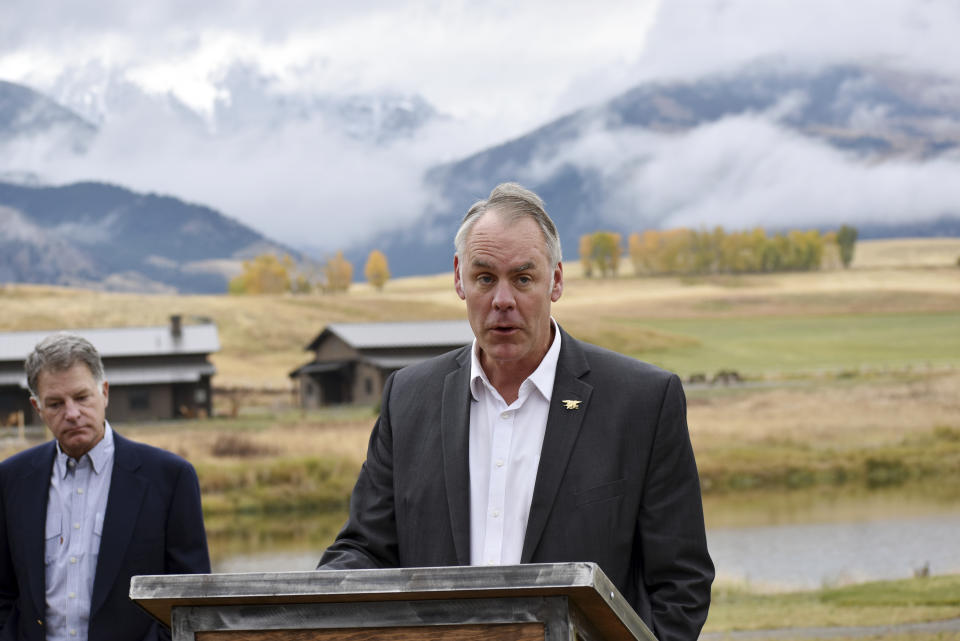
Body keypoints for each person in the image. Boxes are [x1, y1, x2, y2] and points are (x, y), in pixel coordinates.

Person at [318, 183, 714, 641]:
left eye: (523, 279)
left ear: (557, 281)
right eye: (485, 277)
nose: (502, 299)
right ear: (459, 279)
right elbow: (363, 552)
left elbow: (680, 585)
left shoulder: (642, 401)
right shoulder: (408, 398)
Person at [0, 333, 210, 641]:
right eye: (55, 403)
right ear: (37, 407)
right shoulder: (10, 480)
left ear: (105, 392)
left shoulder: (170, 478)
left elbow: (191, 599)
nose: (71, 414)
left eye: (82, 397)